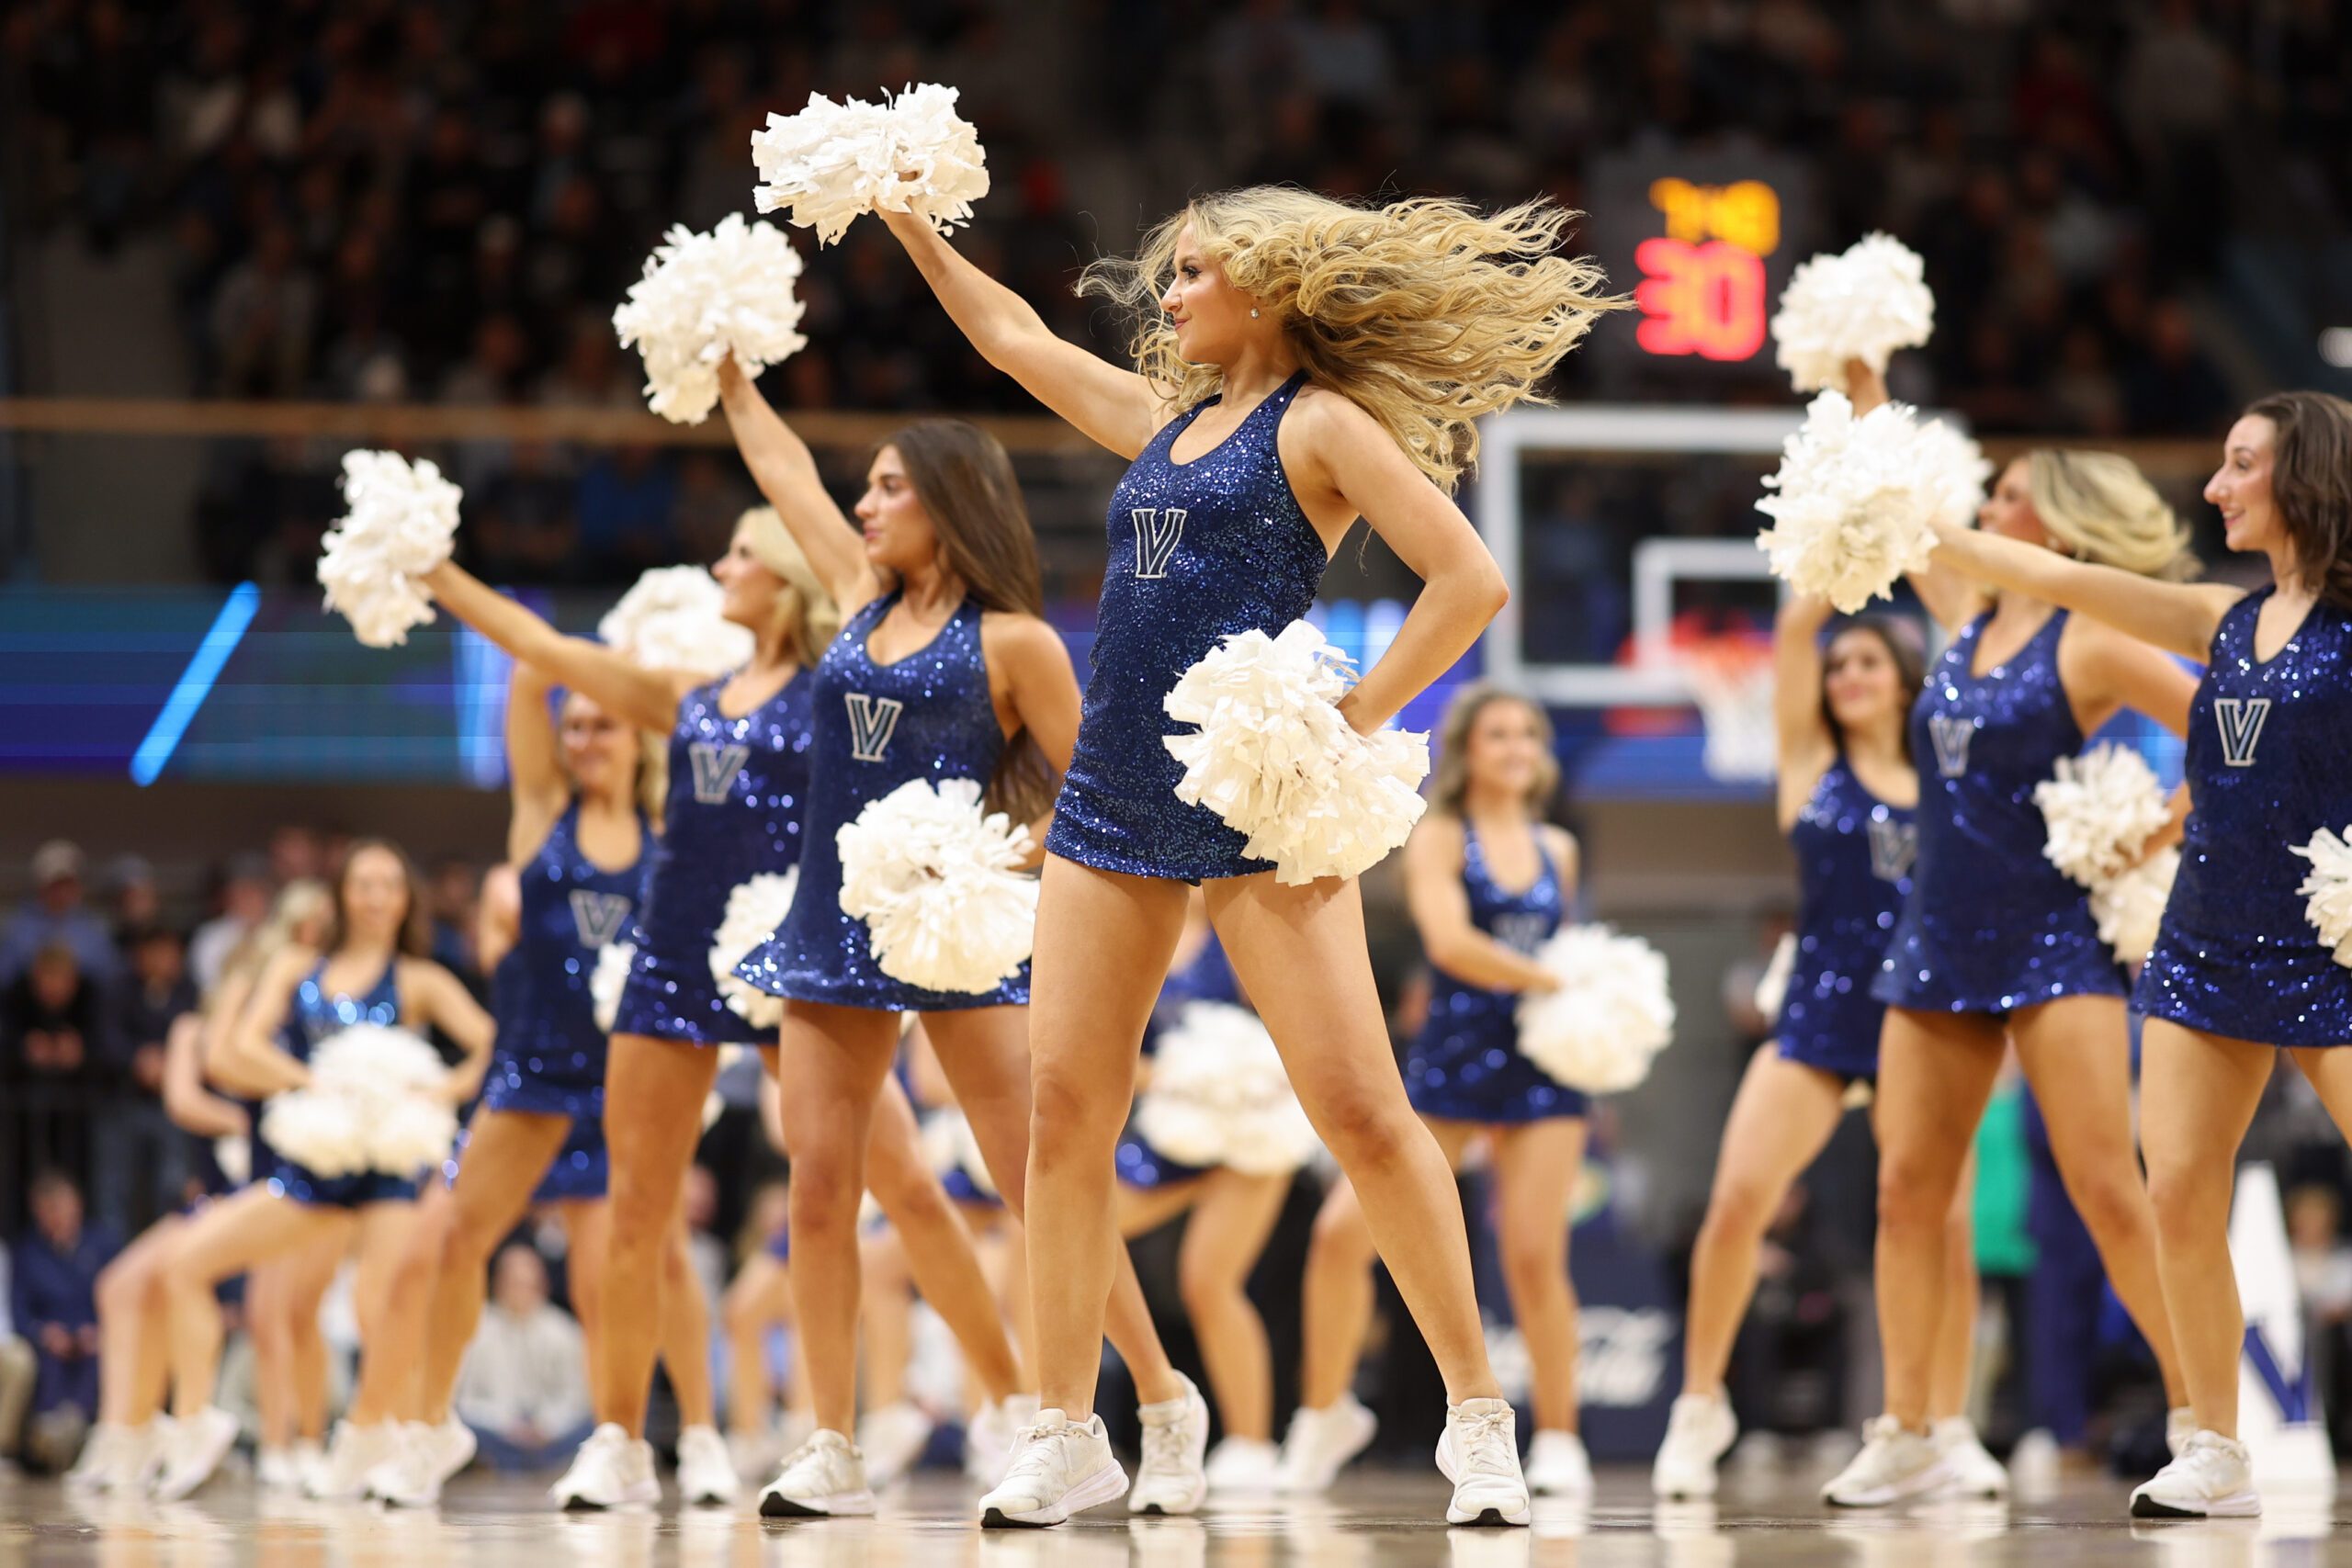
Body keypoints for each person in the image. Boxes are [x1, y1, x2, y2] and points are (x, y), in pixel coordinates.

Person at [879, 184, 1618, 1526]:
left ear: (1266, 288)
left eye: (1194, 273)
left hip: (1257, 795)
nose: (1168, 299)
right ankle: (1063, 1427)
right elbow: (1013, 344)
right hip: (1112, 789)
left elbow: (1469, 581)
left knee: (1357, 1105)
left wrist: (1349, 718)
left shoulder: (1321, 426)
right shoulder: (1165, 424)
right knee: (1065, 1113)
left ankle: (1478, 1414)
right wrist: (915, 227)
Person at [418, 513, 1031, 1511]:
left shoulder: (840, 686)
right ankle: (619, 1440)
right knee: (635, 1210)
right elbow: (543, 650)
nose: (720, 569)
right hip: (673, 963)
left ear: (784, 582)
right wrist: (436, 570)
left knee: (908, 1187)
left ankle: (1010, 1401)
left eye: (741, 555)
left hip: (798, 960)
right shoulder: (688, 698)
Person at [717, 358, 1213, 1520]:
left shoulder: (1018, 643)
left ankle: (1157, 1393)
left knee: (1040, 1183)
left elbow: (1099, 786)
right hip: (834, 921)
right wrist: (735, 381)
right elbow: (783, 472)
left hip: (960, 929)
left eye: (889, 487)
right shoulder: (853, 598)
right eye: (868, 487)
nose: (864, 506)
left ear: (948, 499)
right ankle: (831, 1440)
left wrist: (993, 856)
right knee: (820, 1182)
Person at [1917, 391, 2352, 1517]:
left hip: (2332, 949)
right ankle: (2215, 1446)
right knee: (2180, 1196)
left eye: (2240, 465)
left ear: (2305, 475)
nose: (2214, 487)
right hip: (2204, 941)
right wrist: (1909, 523)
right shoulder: (2216, 618)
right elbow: (2067, 583)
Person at [1821, 441, 2199, 1506]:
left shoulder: (2094, 642)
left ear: (2061, 527)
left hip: (2049, 945)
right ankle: (1908, 1430)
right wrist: (1858, 379)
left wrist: (2152, 837)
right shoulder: (1966, 616)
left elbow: (2225, 729)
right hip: (1936, 939)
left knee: (2104, 1191)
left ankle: (2201, 1419)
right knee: (1905, 1191)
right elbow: (1898, 514)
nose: (1989, 504)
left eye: (2011, 496)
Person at [1654, 362, 2004, 1501]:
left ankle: (1944, 1425)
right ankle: (1698, 1408)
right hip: (1818, 1013)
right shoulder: (1806, 768)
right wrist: (1853, 424)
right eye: (1838, 663)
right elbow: (1803, 614)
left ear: (1904, 679)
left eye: (1869, 660)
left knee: (1940, 1227)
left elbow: (1960, 620)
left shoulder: (1945, 767)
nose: (1848, 670)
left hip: (1926, 1012)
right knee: (1735, 1204)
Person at [365, 662, 734, 1507]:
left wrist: (669, 670)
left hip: (629, 1079)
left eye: (605, 724)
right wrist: (585, 660)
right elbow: (529, 675)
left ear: (637, 733)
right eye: (576, 726)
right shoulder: (540, 815)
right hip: (533, 1071)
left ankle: (683, 1438)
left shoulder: (665, 822)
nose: (585, 740)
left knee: (644, 1264)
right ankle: (430, 1430)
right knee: (460, 1237)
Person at [1282, 686, 1596, 1498]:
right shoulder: (1442, 835)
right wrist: (1561, 978)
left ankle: (1560, 1435)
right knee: (1338, 1239)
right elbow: (1453, 944)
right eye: (1499, 732)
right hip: (1457, 1056)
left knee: (1534, 1254)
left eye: (1528, 730)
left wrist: (1583, 998)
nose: (1516, 745)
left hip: (1540, 1059)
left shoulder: (1558, 847)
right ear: (1468, 749)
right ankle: (1325, 1412)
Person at [149, 840, 495, 1501]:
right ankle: (195, 1421)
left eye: (389, 884)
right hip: (314, 1165)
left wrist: (439, 1090)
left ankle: (410, 1432)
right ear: (339, 894)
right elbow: (242, 1048)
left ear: (405, 898)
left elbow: (491, 1043)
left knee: (381, 1305)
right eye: (362, 883)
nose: (374, 896)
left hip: (387, 1171)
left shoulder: (419, 978)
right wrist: (315, 1079)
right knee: (187, 1266)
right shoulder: (298, 967)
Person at [66, 879, 333, 1494]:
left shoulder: (284, 1029)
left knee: (283, 1314)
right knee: (124, 1283)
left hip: (277, 1186)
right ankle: (127, 1431)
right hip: (212, 1194)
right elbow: (185, 1099)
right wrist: (238, 1116)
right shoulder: (202, 1030)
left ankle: (289, 1441)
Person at [1112, 894, 1295, 1497]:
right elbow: (1108, 1048)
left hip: (1245, 1131)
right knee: (1084, 1236)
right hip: (1169, 1130)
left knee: (1209, 1282)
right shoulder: (1132, 930)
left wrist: (1245, 1080)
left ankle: (1252, 1444)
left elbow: (1283, 1019)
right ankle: (1050, 1410)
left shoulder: (1235, 928)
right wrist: (1171, 1078)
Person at [454, 1245, 595, 1472]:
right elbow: (465, 1397)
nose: (521, 1293)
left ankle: (524, 1462)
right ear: (498, 1284)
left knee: (596, 1425)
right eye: (514, 1284)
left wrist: (546, 1425)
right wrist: (506, 1424)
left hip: (549, 1429)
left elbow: (575, 1396)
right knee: (460, 1427)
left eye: (528, 1285)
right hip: (496, 1427)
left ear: (542, 1286)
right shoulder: (476, 1329)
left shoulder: (563, 1331)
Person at [12, 1169, 116, 1472]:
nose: (54, 1216)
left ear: (77, 1204)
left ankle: (81, 1430)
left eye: (59, 1206)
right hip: (50, 1348)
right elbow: (19, 1312)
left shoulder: (103, 1243)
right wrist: (42, 1332)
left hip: (94, 1342)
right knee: (45, 1362)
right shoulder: (28, 1251)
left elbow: (120, 1300)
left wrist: (100, 1330)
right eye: (46, 1209)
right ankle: (49, 1432)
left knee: (101, 1357)